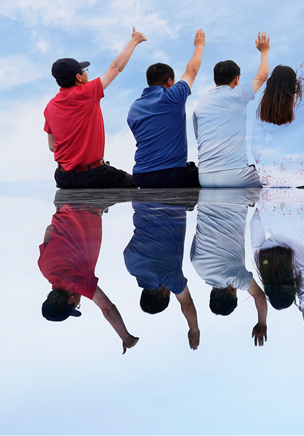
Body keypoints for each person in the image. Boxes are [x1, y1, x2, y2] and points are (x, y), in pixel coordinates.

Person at [44, 27, 146, 188]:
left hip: (62, 176)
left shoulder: (49, 107)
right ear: (78, 77)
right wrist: (134, 41)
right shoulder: (87, 92)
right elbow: (116, 68)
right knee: (139, 184)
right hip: (91, 174)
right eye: (84, 70)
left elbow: (52, 146)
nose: (86, 73)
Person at [38, 194, 139, 354]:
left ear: (70, 299)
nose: (79, 301)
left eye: (76, 304)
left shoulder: (80, 284)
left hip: (90, 203)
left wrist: (125, 336)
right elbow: (50, 229)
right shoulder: (44, 268)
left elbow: (107, 308)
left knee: (135, 189)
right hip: (64, 200)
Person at [190, 188, 268, 347]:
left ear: (232, 294)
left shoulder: (234, 278)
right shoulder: (196, 265)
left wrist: (262, 323)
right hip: (206, 194)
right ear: (212, 293)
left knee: (261, 194)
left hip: (237, 195)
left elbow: (259, 296)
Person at [127, 30, 205, 188]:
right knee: (210, 178)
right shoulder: (173, 96)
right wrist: (199, 45)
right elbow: (192, 70)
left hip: (141, 176)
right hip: (172, 175)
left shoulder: (134, 107)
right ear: (170, 81)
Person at [192, 33, 271, 188]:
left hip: (204, 177)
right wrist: (264, 51)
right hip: (236, 175)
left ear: (215, 80)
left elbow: (198, 137)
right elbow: (262, 76)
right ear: (236, 79)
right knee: (275, 183)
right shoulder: (238, 94)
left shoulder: (200, 104)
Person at [124, 193, 201, 350]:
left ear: (165, 292)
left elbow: (187, 304)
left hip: (173, 195)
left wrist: (194, 329)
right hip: (141, 196)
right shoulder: (130, 264)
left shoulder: (169, 278)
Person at [251, 188, 304, 360]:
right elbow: (256, 222)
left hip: (303, 216)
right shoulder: (261, 258)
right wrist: (261, 208)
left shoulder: (299, 272)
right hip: (275, 211)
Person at [252, 20, 304, 187]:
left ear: (271, 83)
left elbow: (256, 149)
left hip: (272, 177)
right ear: (294, 83)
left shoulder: (262, 108)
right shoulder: (300, 99)